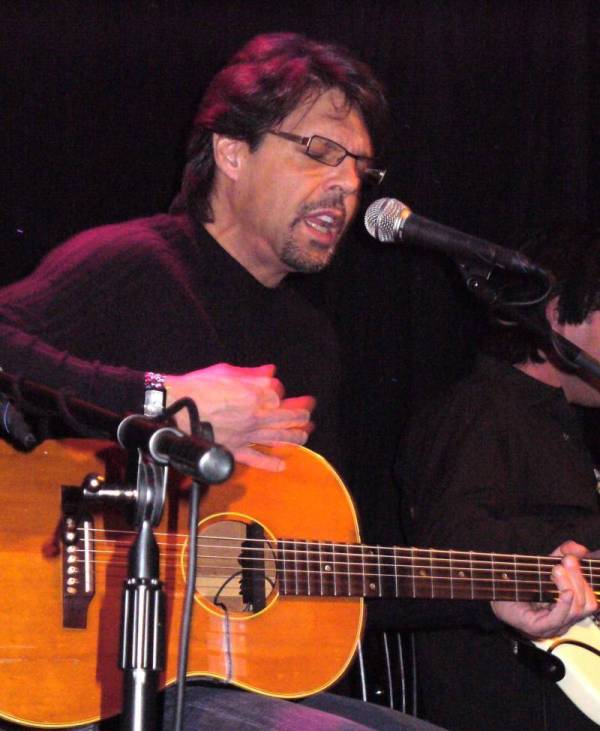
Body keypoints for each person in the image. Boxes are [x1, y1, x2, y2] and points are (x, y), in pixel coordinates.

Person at [0, 33, 595, 731]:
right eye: (319, 152)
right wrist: (159, 399)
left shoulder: (310, 343)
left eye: (361, 169)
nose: (346, 185)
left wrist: (490, 600)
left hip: (209, 684)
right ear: (231, 150)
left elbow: (338, 566)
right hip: (80, 660)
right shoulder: (134, 265)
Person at [400, 223, 600, 730]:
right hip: (512, 697)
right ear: (559, 315)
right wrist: (568, 549)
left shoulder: (563, 426)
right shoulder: (480, 409)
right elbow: (445, 547)